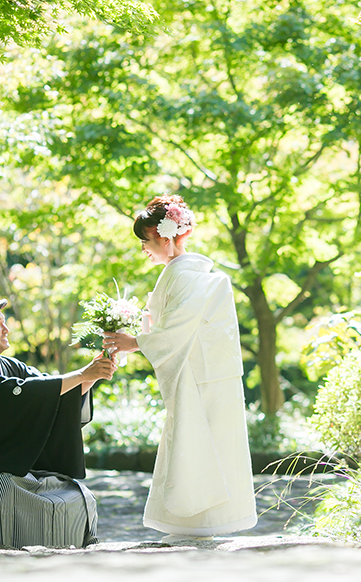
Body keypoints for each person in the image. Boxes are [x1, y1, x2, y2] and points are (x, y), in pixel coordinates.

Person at [104, 195, 257, 542]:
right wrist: (140, 330)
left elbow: (177, 326)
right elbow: (167, 326)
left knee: (206, 444)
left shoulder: (189, 276)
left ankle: (207, 524)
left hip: (204, 377)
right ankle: (195, 525)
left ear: (166, 237)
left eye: (145, 240)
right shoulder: (180, 274)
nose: (143, 248)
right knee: (195, 443)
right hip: (201, 372)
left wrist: (135, 341)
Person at [0, 298, 115, 549]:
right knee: (1, 488)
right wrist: (83, 373)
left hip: (10, 471)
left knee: (76, 493)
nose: (6, 329)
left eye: (4, 322)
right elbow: (27, 393)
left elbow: (52, 390)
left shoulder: (10, 366)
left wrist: (94, 375)